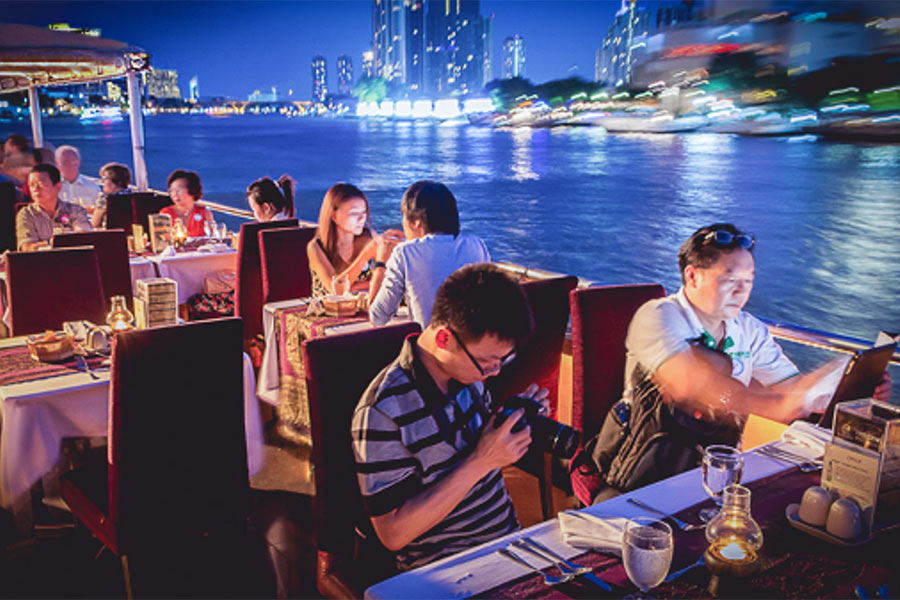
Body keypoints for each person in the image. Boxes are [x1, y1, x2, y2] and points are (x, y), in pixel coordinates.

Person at [577, 223, 892, 502]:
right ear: (692, 276)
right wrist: (773, 406)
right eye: (730, 279)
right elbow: (693, 385)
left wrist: (847, 387)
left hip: (716, 470)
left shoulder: (748, 329)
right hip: (644, 472)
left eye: (749, 280)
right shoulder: (658, 315)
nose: (743, 291)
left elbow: (794, 388)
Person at [353, 263, 548, 570]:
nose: (493, 373)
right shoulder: (382, 412)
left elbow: (475, 452)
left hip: (509, 545)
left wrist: (509, 423)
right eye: (486, 362)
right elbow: (393, 534)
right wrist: (482, 461)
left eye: (501, 362)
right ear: (444, 339)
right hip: (445, 569)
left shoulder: (470, 379)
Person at [368, 180, 491, 329]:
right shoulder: (476, 245)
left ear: (416, 222)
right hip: (474, 345)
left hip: (433, 348)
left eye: (404, 217)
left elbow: (377, 317)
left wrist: (381, 263)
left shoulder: (406, 253)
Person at [307, 182, 402, 296]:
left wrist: (354, 287)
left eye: (364, 212)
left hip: (360, 309)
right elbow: (337, 290)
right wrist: (366, 254)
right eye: (354, 213)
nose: (362, 218)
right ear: (334, 216)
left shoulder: (369, 236)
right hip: (327, 311)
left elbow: (387, 279)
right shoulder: (316, 247)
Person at [16, 163, 92, 251]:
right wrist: (54, 242)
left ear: (58, 187)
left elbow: (84, 237)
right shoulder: (26, 214)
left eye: (41, 184)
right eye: (31, 185)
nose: (35, 189)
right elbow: (27, 247)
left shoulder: (75, 210)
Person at [161, 169, 213, 237]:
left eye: (178, 189)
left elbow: (212, 239)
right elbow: (162, 241)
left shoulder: (205, 213)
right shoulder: (166, 214)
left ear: (192, 189)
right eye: (171, 190)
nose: (174, 194)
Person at [92, 162, 132, 229]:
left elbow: (94, 223)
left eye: (105, 179)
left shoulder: (106, 199)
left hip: (108, 236)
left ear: (118, 182)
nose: (102, 182)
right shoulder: (134, 198)